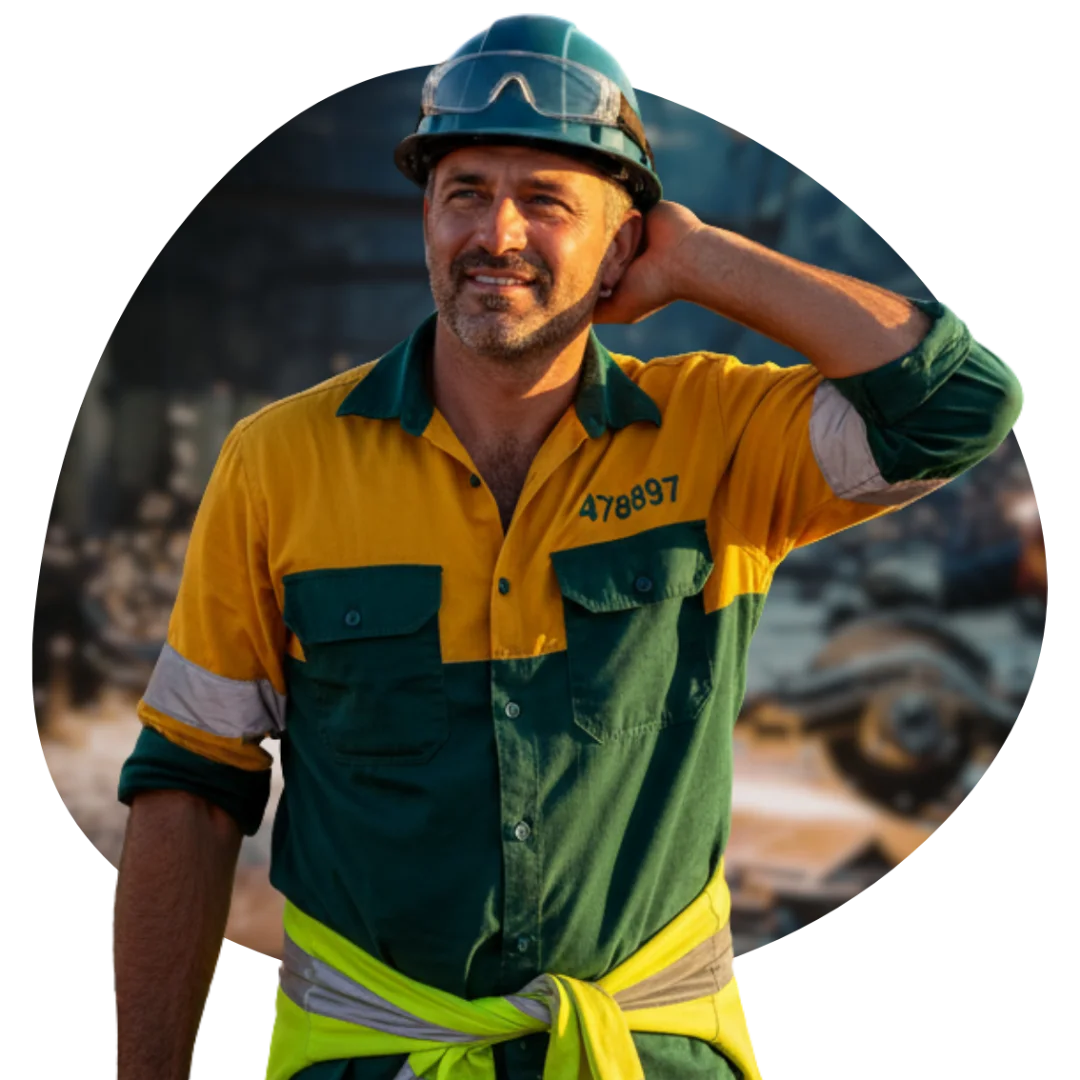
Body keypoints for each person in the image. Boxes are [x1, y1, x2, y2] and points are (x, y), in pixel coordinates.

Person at [109, 13, 1026, 1080]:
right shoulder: (281, 463)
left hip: (650, 1057)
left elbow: (964, 405)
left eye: (547, 202)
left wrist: (704, 262)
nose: (495, 235)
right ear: (426, 217)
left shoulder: (721, 440)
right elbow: (189, 782)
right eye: (465, 193)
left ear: (622, 241)